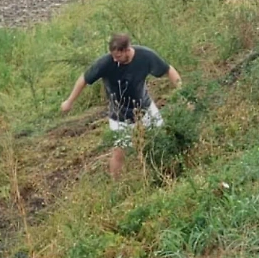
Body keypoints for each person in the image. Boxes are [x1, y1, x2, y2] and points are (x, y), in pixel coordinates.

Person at [61, 33, 182, 179]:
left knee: (162, 138)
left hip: (145, 108)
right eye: (113, 56)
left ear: (127, 50)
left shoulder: (146, 56)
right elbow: (84, 79)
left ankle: (169, 172)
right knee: (119, 152)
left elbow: (168, 70)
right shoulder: (105, 63)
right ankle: (115, 183)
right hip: (120, 115)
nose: (114, 59)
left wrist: (183, 92)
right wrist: (69, 101)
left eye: (117, 56)